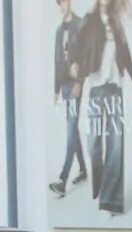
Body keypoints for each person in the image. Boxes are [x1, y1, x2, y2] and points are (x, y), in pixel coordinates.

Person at [74, 0, 132, 216]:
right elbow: (78, 51)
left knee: (116, 145)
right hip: (96, 87)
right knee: (94, 144)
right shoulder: (90, 21)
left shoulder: (116, 25)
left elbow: (127, 57)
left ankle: (110, 203)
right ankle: (99, 184)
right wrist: (78, 80)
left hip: (115, 90)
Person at [50, 0, 88, 198]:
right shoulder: (58, 31)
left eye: (63, 2)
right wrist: (55, 89)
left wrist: (80, 81)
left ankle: (63, 179)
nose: (61, 6)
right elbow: (57, 61)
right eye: (58, 3)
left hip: (74, 85)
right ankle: (82, 169)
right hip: (64, 86)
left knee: (71, 128)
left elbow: (85, 56)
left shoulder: (80, 25)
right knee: (73, 128)